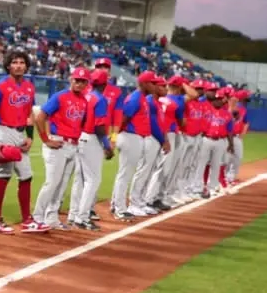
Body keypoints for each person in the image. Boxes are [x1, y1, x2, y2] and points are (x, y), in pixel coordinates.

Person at [0, 51, 49, 233]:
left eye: (22, 62)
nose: (19, 65)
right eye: (15, 62)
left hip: (21, 134)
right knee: (4, 175)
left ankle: (27, 220)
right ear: (8, 66)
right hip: (4, 132)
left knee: (26, 176)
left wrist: (30, 136)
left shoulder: (29, 87)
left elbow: (30, 113)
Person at [31, 68, 92, 229]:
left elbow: (81, 123)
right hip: (57, 143)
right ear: (71, 80)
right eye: (76, 80)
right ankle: (37, 217)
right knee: (52, 183)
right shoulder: (60, 96)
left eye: (83, 81)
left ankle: (51, 217)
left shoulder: (84, 101)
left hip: (72, 145)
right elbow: (40, 116)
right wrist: (45, 139)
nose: (79, 83)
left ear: (87, 83)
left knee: (62, 185)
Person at [109, 71, 166, 220]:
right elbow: (123, 119)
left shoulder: (141, 98)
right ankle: (119, 208)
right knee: (125, 175)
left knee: (124, 174)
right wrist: (115, 137)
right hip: (130, 137)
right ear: (144, 83)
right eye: (152, 83)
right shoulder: (136, 98)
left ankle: (116, 204)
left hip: (134, 137)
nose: (155, 86)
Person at [65, 68, 114, 230]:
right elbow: (100, 127)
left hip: (81, 137)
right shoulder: (100, 99)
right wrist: (107, 145)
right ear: (105, 83)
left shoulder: (86, 95)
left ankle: (73, 214)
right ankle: (83, 217)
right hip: (92, 139)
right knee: (93, 180)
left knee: (80, 179)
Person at [145, 75, 190, 210]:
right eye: (162, 86)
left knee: (160, 168)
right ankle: (150, 198)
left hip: (161, 134)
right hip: (163, 134)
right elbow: (181, 121)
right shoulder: (174, 102)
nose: (165, 88)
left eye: (166, 86)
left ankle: (155, 197)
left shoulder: (158, 101)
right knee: (161, 168)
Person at [200, 85, 235, 197]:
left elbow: (229, 130)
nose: (220, 102)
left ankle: (213, 187)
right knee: (202, 163)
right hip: (206, 139)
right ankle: (200, 186)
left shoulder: (226, 114)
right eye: (217, 100)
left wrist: (231, 143)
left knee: (216, 165)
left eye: (221, 99)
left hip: (220, 140)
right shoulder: (206, 109)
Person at [226, 89, 250, 187]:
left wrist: (244, 131)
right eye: (247, 97)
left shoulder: (243, 109)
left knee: (238, 157)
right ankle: (224, 177)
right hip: (227, 136)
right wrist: (232, 107)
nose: (248, 99)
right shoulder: (228, 108)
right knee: (227, 157)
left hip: (237, 137)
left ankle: (231, 177)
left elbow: (246, 121)